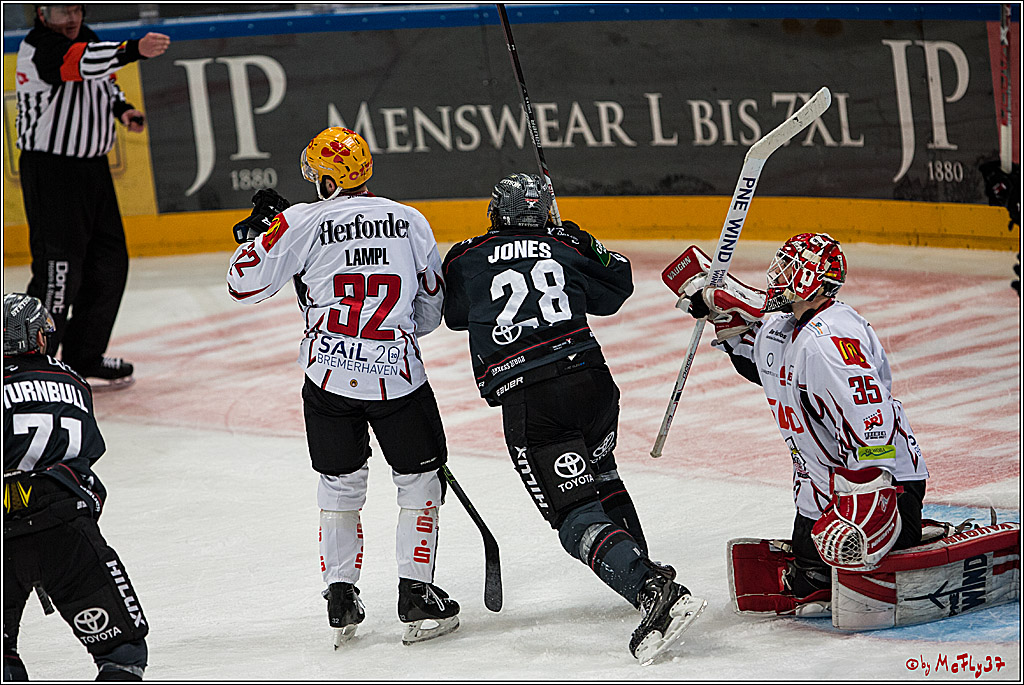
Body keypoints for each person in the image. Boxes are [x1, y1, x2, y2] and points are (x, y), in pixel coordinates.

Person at [441, 173, 706, 664]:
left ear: (495, 214)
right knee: (602, 475)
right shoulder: (568, 242)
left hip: (534, 401)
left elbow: (454, 313)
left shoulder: (466, 256)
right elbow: (618, 285)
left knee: (573, 515)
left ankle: (651, 588)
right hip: (592, 385)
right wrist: (573, 240)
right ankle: (641, 566)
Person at [225, 127, 460, 647]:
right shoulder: (410, 220)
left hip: (327, 379)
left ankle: (340, 594)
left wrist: (266, 234)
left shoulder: (299, 221)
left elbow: (242, 284)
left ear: (328, 177)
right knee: (419, 483)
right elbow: (429, 312)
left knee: (339, 484)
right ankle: (416, 593)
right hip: (399, 378)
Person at [681, 232, 929, 606]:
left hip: (880, 483)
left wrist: (869, 497)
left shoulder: (831, 340)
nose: (776, 275)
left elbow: (871, 421)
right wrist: (725, 318)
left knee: (844, 560)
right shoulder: (784, 327)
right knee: (809, 577)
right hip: (821, 486)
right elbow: (761, 364)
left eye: (787, 268)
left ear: (811, 279)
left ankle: (905, 532)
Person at [15, 4, 171, 389]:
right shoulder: (38, 48)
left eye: (75, 11)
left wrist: (122, 109)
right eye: (60, 14)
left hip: (93, 169)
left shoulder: (88, 38)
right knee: (59, 272)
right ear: (40, 15)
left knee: (109, 265)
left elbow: (103, 79)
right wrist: (134, 48)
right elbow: (77, 65)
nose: (70, 20)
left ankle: (84, 355)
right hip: (53, 172)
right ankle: (33, 363)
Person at [3, 293, 150, 681]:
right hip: (64, 522)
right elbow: (87, 451)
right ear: (38, 339)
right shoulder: (73, 381)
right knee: (123, 650)